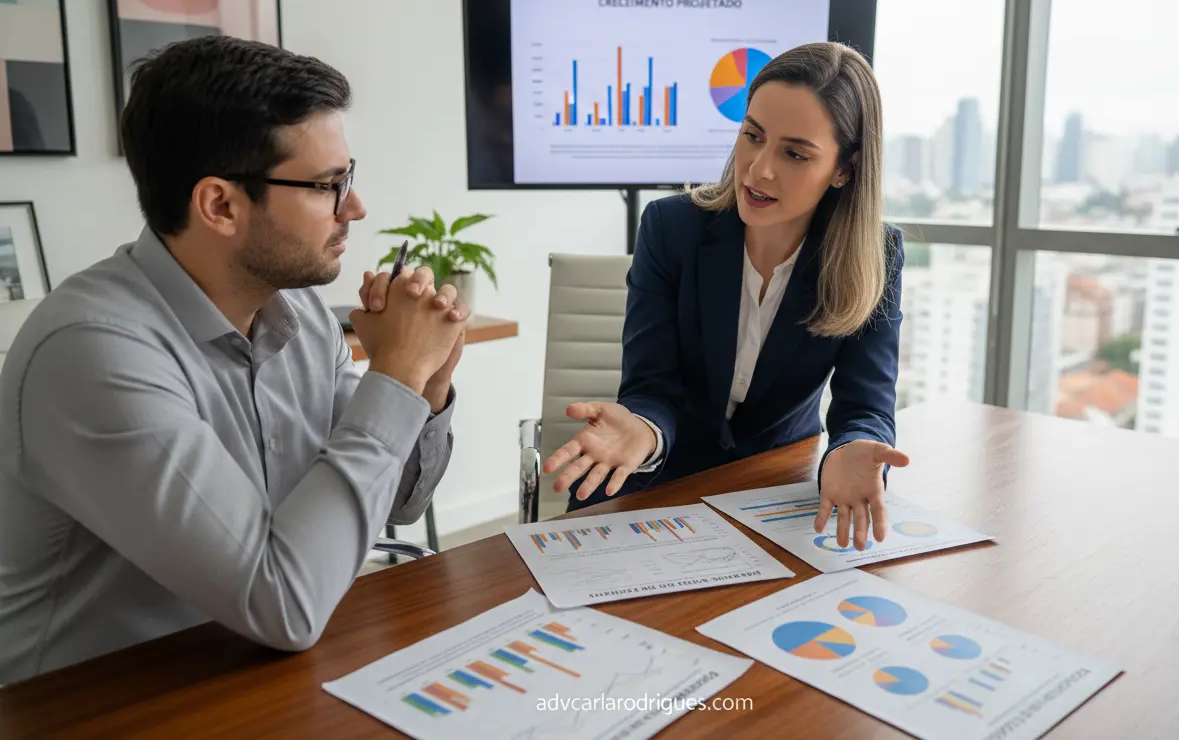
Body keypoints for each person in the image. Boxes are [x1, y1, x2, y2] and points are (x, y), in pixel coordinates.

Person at [0, 36, 468, 684]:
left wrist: (426, 385)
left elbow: (398, 503)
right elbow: (283, 603)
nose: (355, 208)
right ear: (220, 205)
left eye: (349, 177)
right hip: (99, 704)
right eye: (328, 186)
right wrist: (396, 376)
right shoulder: (92, 352)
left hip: (255, 675)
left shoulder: (301, 315)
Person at [543, 42, 909, 550]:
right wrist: (644, 429)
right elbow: (652, 386)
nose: (758, 170)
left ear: (845, 169)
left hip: (775, 486)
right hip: (657, 480)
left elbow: (865, 406)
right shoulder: (670, 228)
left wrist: (852, 448)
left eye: (794, 153)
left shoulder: (875, 256)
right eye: (752, 136)